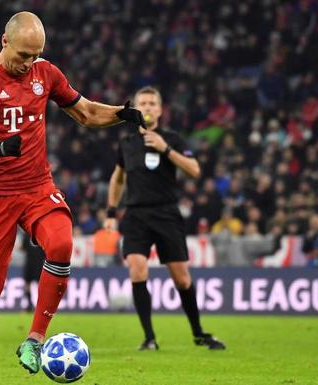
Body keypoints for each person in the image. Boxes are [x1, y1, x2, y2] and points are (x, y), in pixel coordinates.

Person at [0, 11, 146, 385]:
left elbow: (87, 113)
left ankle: (35, 339)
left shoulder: (46, 72)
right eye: (24, 55)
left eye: (36, 55)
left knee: (60, 243)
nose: (29, 63)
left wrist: (121, 114)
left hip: (38, 186)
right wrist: (0, 148)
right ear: (4, 42)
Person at [104, 86, 226, 351]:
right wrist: (111, 212)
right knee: (137, 270)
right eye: (143, 103)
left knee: (181, 278)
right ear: (136, 108)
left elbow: (194, 170)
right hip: (135, 214)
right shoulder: (127, 143)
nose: (147, 107)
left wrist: (165, 148)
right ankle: (149, 338)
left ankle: (198, 333)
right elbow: (118, 177)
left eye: (152, 103)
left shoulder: (173, 139)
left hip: (167, 213)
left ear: (160, 109)